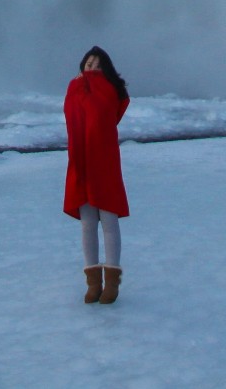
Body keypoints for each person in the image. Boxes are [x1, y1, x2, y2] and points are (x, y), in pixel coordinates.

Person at [63, 45, 130, 305]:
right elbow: (72, 114)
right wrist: (80, 87)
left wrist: (93, 86)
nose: (92, 69)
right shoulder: (75, 89)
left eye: (98, 65)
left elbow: (106, 114)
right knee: (88, 223)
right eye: (88, 64)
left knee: (109, 220)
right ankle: (93, 282)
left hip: (104, 162)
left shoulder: (109, 91)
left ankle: (111, 282)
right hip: (81, 162)